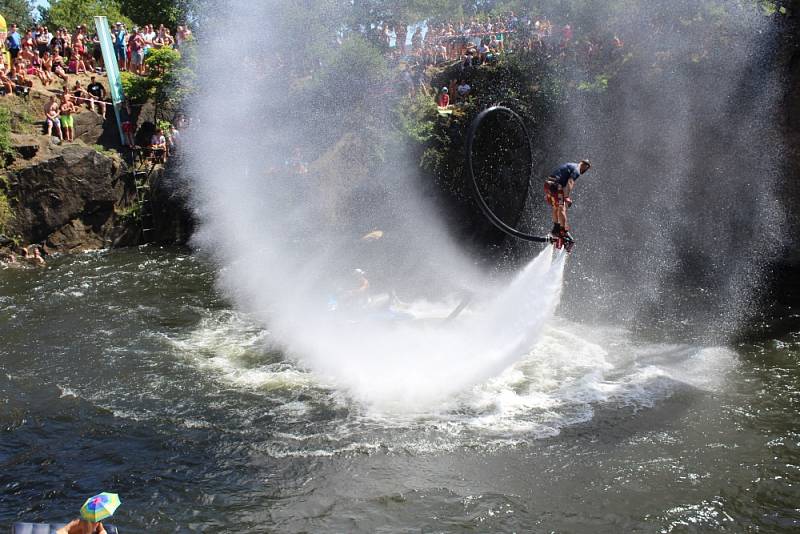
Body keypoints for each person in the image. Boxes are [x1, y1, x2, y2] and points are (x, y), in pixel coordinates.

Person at [543, 160, 591, 242]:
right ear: (583, 165)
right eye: (586, 168)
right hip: (556, 186)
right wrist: (567, 197)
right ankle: (563, 232)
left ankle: (556, 229)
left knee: (556, 207)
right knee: (562, 207)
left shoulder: (570, 165)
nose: (585, 171)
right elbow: (570, 182)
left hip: (548, 185)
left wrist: (549, 192)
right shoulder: (577, 169)